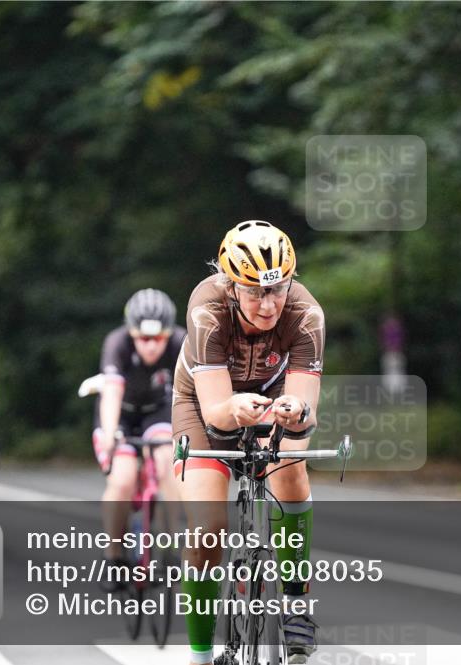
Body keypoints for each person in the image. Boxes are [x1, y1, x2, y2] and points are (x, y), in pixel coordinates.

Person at [173, 220, 325, 665]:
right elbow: (219, 413)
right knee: (207, 530)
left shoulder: (307, 315)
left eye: (277, 290)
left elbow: (305, 416)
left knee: (292, 468)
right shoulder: (207, 308)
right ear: (231, 284)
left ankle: (296, 606)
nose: (268, 304)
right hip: (203, 403)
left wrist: (294, 411)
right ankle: (201, 656)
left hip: (273, 397)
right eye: (255, 291)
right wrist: (237, 408)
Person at [93, 288, 186, 579]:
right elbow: (111, 392)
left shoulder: (181, 343)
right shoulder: (117, 343)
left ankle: (171, 546)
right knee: (122, 479)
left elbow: (192, 393)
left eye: (158, 338)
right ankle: (114, 557)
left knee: (167, 461)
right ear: (131, 333)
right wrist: (109, 435)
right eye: (144, 339)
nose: (151, 347)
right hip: (120, 413)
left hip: (157, 411)